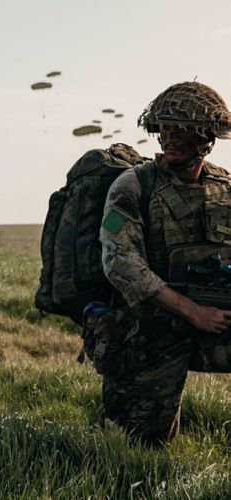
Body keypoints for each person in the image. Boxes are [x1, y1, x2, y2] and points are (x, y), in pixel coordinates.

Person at [97, 81, 231, 446]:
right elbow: (119, 261)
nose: (168, 137)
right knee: (140, 444)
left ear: (206, 136)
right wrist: (192, 311)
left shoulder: (225, 186)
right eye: (163, 127)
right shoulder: (132, 186)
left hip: (217, 315)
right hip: (149, 328)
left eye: (179, 128)